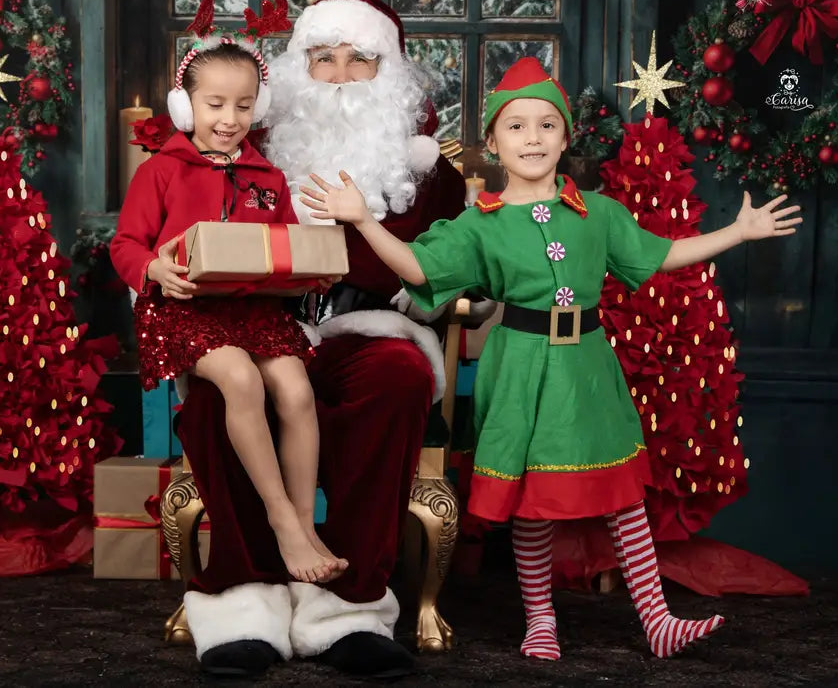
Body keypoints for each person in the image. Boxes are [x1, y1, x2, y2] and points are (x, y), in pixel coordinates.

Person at [300, 56, 803, 661]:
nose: (532, 138)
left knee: (623, 495)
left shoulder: (600, 213)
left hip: (590, 370)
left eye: (546, 125)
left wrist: (736, 233)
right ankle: (540, 621)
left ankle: (658, 621)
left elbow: (659, 253)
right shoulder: (477, 226)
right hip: (522, 368)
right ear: (492, 141)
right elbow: (417, 268)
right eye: (516, 127)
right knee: (532, 500)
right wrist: (361, 221)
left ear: (566, 137)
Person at [174, 0, 474, 679]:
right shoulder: (248, 151)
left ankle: (349, 606)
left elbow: (449, 272)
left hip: (368, 330)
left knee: (397, 380)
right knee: (225, 393)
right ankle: (245, 601)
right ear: (298, 70)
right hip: (263, 329)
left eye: (358, 60)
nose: (338, 76)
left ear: (389, 73)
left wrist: (350, 237)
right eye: (323, 58)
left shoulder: (429, 177)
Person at [110, 0, 346, 585]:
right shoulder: (161, 170)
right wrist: (154, 271)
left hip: (254, 311)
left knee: (294, 388)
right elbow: (125, 246)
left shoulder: (269, 176)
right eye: (215, 105)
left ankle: (304, 520)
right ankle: (282, 522)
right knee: (240, 377)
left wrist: (307, 270)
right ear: (187, 107)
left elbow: (282, 248)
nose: (228, 119)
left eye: (243, 107)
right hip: (185, 311)